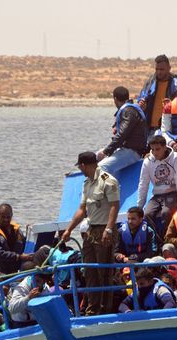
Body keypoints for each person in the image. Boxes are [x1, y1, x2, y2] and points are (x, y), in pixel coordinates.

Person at [60, 152, 120, 316]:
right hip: (91, 229)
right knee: (89, 271)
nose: (80, 169)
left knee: (104, 272)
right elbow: (82, 210)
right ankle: (92, 309)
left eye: (80, 166)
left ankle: (104, 309)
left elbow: (115, 205)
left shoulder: (108, 181)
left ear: (85, 165)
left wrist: (108, 229)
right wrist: (69, 229)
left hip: (104, 230)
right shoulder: (86, 184)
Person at [137, 134, 177, 231]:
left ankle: (168, 237)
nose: (155, 152)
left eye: (158, 149)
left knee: (166, 213)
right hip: (157, 195)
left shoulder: (175, 157)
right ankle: (156, 240)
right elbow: (143, 184)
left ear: (164, 147)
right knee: (147, 214)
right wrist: (139, 207)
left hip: (172, 193)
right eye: (153, 149)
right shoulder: (147, 161)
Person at [98, 86, 148, 174]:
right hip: (126, 149)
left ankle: (106, 186)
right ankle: (112, 185)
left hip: (132, 152)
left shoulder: (129, 111)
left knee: (101, 167)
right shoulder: (129, 109)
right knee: (95, 157)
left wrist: (106, 151)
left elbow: (121, 135)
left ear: (115, 99)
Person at [138, 54, 177, 131]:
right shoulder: (150, 82)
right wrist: (142, 105)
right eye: (157, 69)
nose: (159, 72)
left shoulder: (176, 83)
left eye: (161, 69)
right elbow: (142, 98)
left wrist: (172, 105)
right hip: (149, 129)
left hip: (169, 129)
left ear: (169, 68)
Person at [0, 203, 32, 276]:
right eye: (3, 217)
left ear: (12, 215)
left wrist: (29, 233)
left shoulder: (17, 230)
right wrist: (18, 257)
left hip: (15, 271)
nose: (6, 219)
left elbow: (24, 246)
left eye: (8, 217)